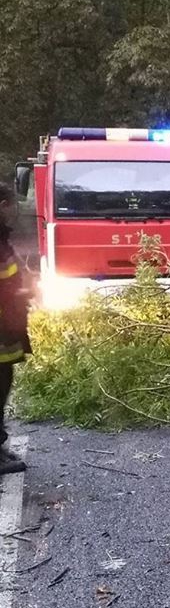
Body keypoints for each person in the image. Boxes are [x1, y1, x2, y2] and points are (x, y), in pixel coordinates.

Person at [0, 183, 30, 475]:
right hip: (1, 327)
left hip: (5, 328)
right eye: (10, 206)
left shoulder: (2, 239)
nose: (13, 213)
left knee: (3, 383)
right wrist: (20, 294)